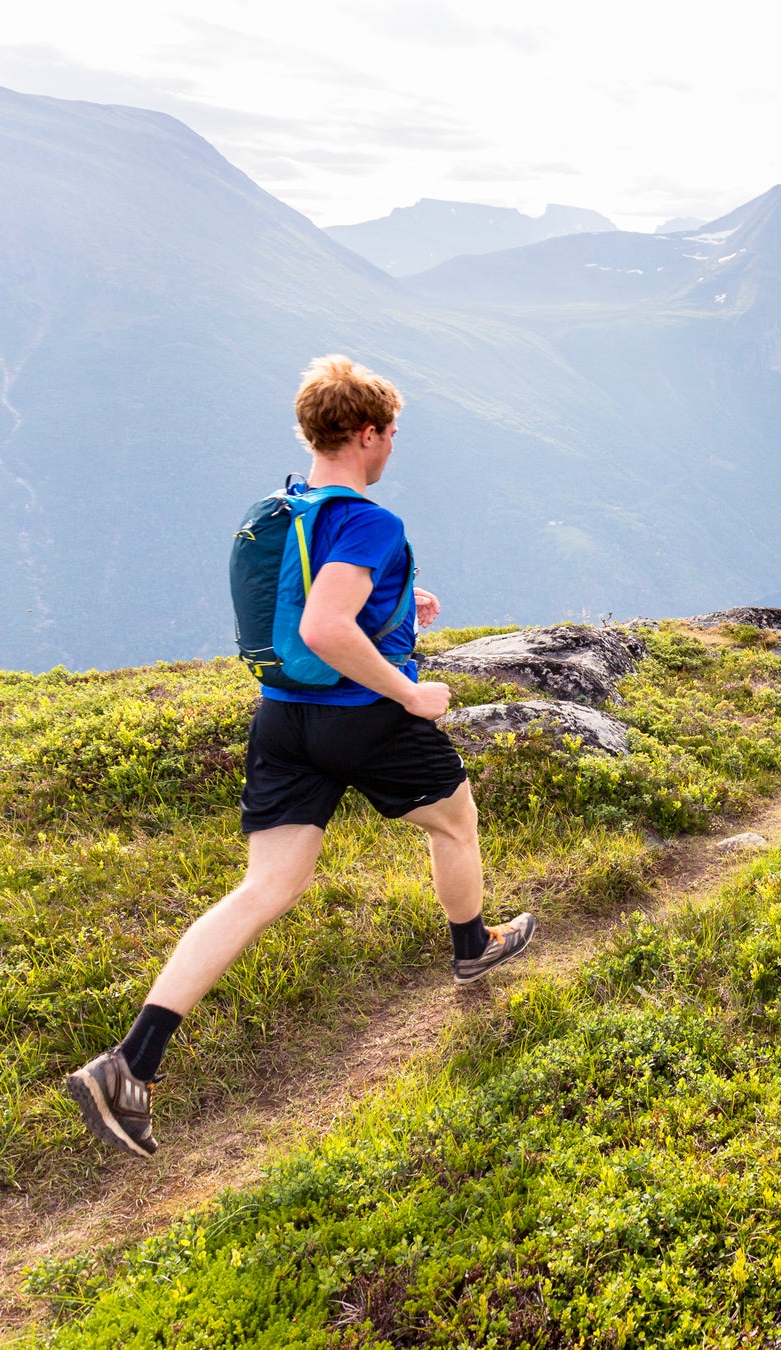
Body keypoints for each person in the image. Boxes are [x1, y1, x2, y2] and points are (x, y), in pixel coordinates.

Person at [66, 356, 537, 1158]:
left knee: (265, 888)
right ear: (367, 434)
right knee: (454, 822)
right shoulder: (368, 520)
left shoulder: (287, 508)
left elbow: (312, 606)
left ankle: (129, 1064)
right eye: (392, 433)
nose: (393, 446)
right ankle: (472, 949)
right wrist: (412, 693)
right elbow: (323, 627)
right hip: (364, 721)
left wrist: (399, 603)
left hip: (283, 721)